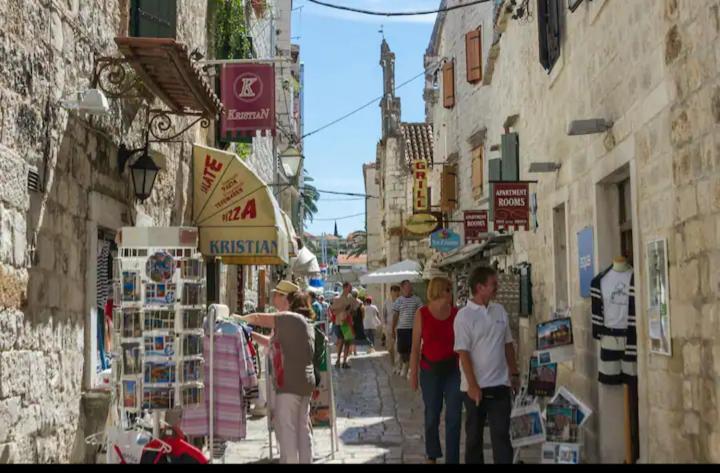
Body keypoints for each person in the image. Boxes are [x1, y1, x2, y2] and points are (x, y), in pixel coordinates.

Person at [238, 281, 316, 464]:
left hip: (290, 383)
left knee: (286, 427)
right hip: (303, 382)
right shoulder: (303, 323)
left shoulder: (290, 319)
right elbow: (272, 342)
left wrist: (237, 319)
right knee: (302, 428)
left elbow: (258, 318)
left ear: (289, 302)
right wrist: (251, 335)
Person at [454, 267, 520, 464]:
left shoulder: (499, 311)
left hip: (500, 384)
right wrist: (473, 385)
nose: (496, 287)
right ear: (480, 287)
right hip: (474, 388)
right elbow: (463, 353)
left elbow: (508, 344)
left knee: (502, 437)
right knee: (474, 439)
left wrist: (514, 373)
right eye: (493, 284)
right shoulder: (464, 317)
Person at [408, 277, 462, 464]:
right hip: (430, 370)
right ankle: (432, 454)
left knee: (454, 415)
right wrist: (413, 374)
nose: (451, 293)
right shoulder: (422, 314)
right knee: (432, 414)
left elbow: (464, 345)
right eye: (448, 289)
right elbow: (415, 347)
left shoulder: (456, 314)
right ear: (439, 291)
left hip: (453, 370)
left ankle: (452, 459)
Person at [392, 280, 423, 378]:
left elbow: (422, 313)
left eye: (410, 287)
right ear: (402, 288)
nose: (409, 289)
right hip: (401, 329)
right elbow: (395, 315)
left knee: (412, 349)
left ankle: (410, 369)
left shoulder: (417, 300)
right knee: (402, 350)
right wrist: (393, 328)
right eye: (407, 287)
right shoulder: (398, 301)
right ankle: (405, 365)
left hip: (413, 329)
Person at [331, 282, 360, 369]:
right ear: (345, 287)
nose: (351, 288)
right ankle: (338, 360)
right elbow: (334, 312)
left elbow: (356, 307)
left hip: (347, 322)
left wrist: (351, 310)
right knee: (341, 342)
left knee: (347, 342)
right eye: (349, 287)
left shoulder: (350, 298)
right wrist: (344, 308)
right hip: (340, 322)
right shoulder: (337, 298)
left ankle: (344, 362)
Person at [383, 285, 401, 365]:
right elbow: (384, 314)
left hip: (399, 326)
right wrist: (384, 326)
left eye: (397, 291)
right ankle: (392, 362)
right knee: (390, 347)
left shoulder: (400, 301)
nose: (395, 293)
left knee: (397, 346)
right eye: (394, 291)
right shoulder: (387, 302)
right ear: (391, 292)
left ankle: (397, 364)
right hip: (389, 327)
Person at [351, 289, 364, 356]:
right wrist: (362, 319)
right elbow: (362, 311)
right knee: (355, 336)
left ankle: (350, 351)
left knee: (350, 335)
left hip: (350, 321)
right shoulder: (360, 302)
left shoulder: (349, 302)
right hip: (358, 321)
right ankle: (355, 351)